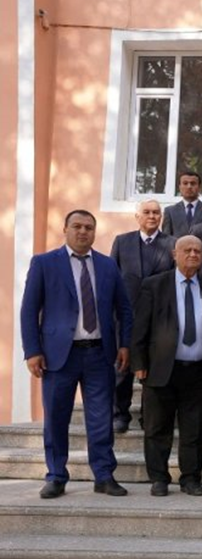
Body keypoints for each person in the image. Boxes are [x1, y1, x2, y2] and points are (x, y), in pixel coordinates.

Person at [22, 210, 133, 499]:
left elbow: (124, 308)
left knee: (101, 419)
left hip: (99, 354)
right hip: (59, 356)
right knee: (56, 418)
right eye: (77, 226)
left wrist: (125, 344)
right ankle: (56, 476)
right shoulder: (44, 263)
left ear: (94, 232)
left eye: (88, 227)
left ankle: (104, 475)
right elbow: (29, 310)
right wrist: (32, 351)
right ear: (65, 229)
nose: (83, 232)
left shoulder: (107, 265)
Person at [131, 235, 202, 497]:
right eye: (187, 250)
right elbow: (140, 326)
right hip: (160, 369)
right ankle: (159, 478)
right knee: (157, 427)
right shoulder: (154, 285)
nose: (193, 254)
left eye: (198, 251)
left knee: (194, 429)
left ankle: (191, 478)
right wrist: (139, 362)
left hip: (198, 370)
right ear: (175, 254)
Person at [110, 200, 174, 433]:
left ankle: (150, 415)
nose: (152, 216)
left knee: (155, 368)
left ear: (161, 217)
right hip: (126, 315)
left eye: (156, 212)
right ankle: (119, 414)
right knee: (122, 367)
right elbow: (111, 277)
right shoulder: (122, 242)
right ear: (137, 217)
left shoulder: (172, 244)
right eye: (146, 212)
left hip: (158, 317)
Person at [161, 171, 202, 237]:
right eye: (185, 183)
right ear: (180, 187)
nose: (189, 186)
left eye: (193, 183)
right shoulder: (170, 211)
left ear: (199, 187)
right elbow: (166, 238)